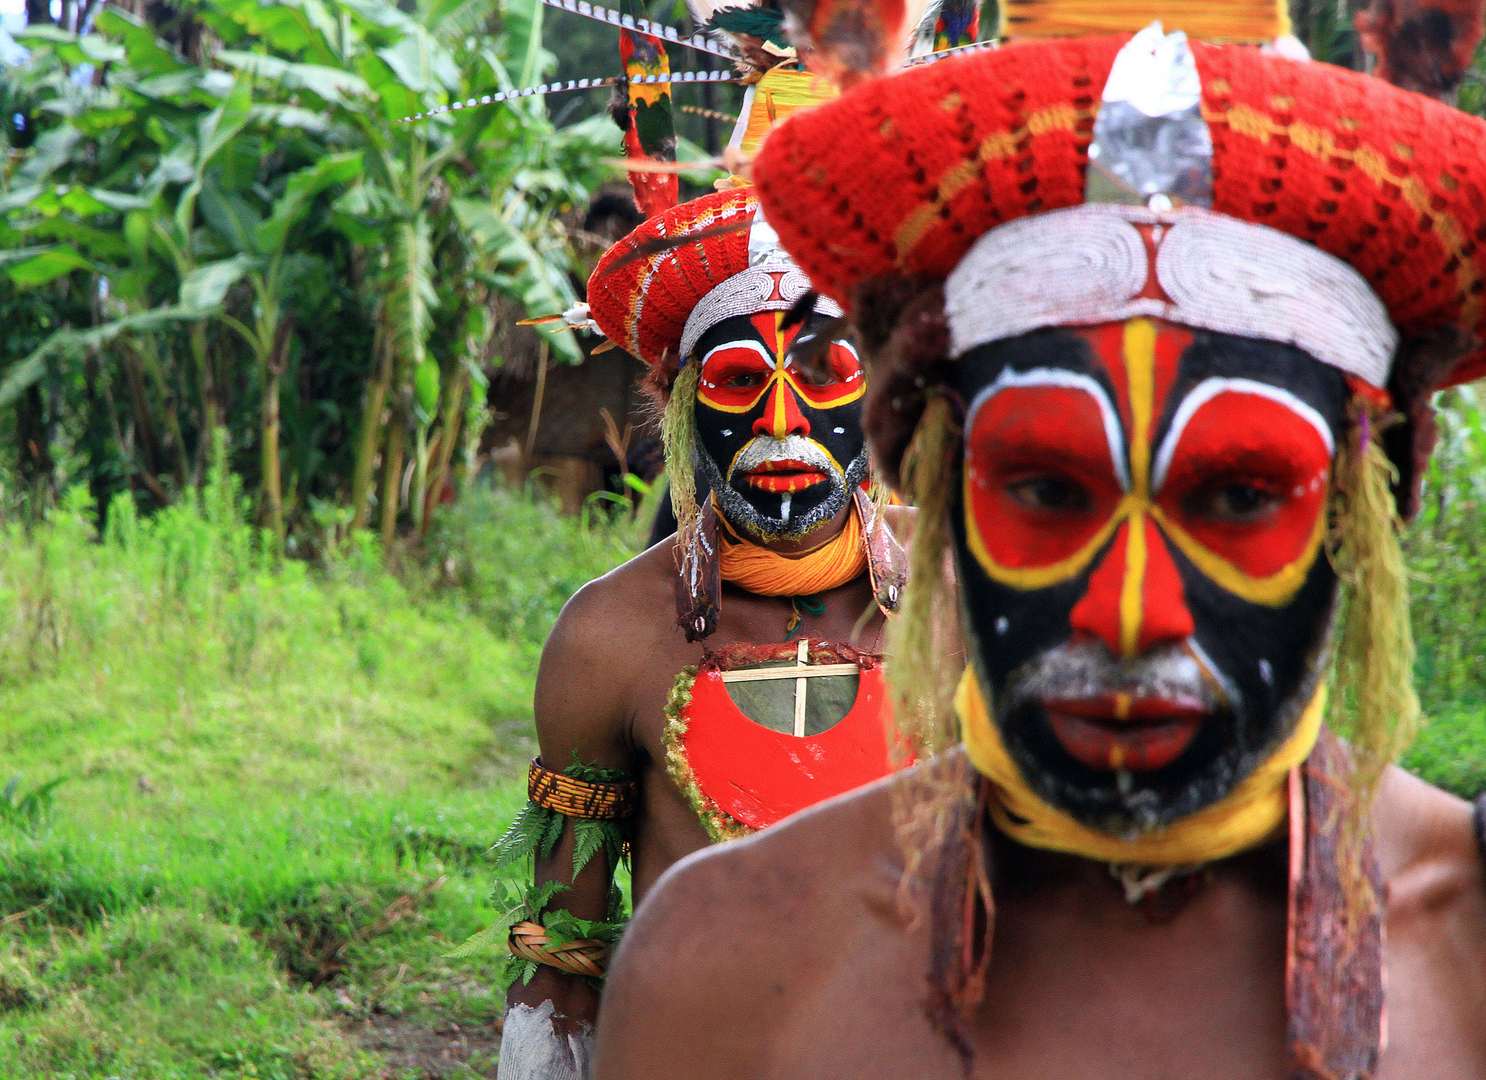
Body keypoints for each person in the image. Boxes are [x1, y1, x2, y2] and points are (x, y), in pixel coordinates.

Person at [592, 13, 1486, 1079]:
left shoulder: (1468, 947)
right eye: (1047, 489)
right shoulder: (731, 956)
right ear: (936, 484)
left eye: (1243, 495)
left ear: (1360, 509)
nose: (1130, 614)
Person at [491, 180, 915, 1080]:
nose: (780, 422)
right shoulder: (610, 636)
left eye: (822, 374)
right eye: (737, 382)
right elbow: (564, 953)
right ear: (685, 411)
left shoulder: (970, 596)